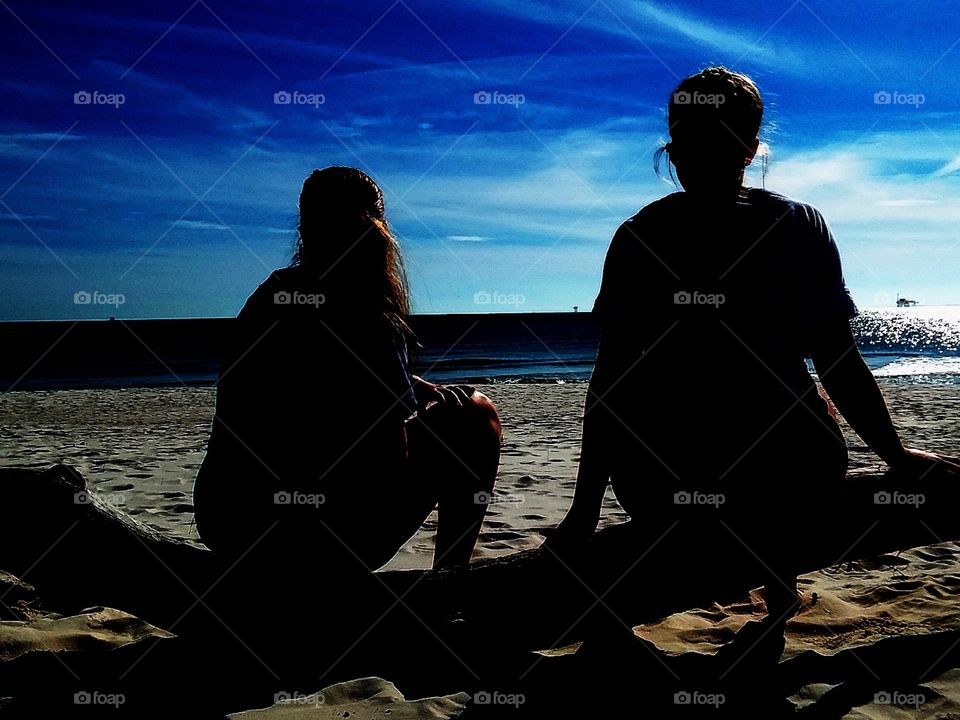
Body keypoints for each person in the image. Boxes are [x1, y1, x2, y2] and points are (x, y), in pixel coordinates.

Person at [552, 67, 959, 657]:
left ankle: (759, 584)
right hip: (792, 474)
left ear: (674, 148)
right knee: (792, 408)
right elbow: (838, 360)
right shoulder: (797, 224)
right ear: (752, 147)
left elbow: (613, 382)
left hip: (665, 483)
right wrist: (896, 457)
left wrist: (585, 508)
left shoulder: (640, 234)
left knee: (726, 416)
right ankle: (778, 587)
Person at [193, 166, 501, 573]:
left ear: (304, 232)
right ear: (382, 232)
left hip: (230, 525)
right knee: (476, 415)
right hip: (322, 541)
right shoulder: (368, 314)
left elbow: (309, 381)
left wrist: (407, 386)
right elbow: (388, 457)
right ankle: (449, 578)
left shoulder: (270, 297)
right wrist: (420, 415)